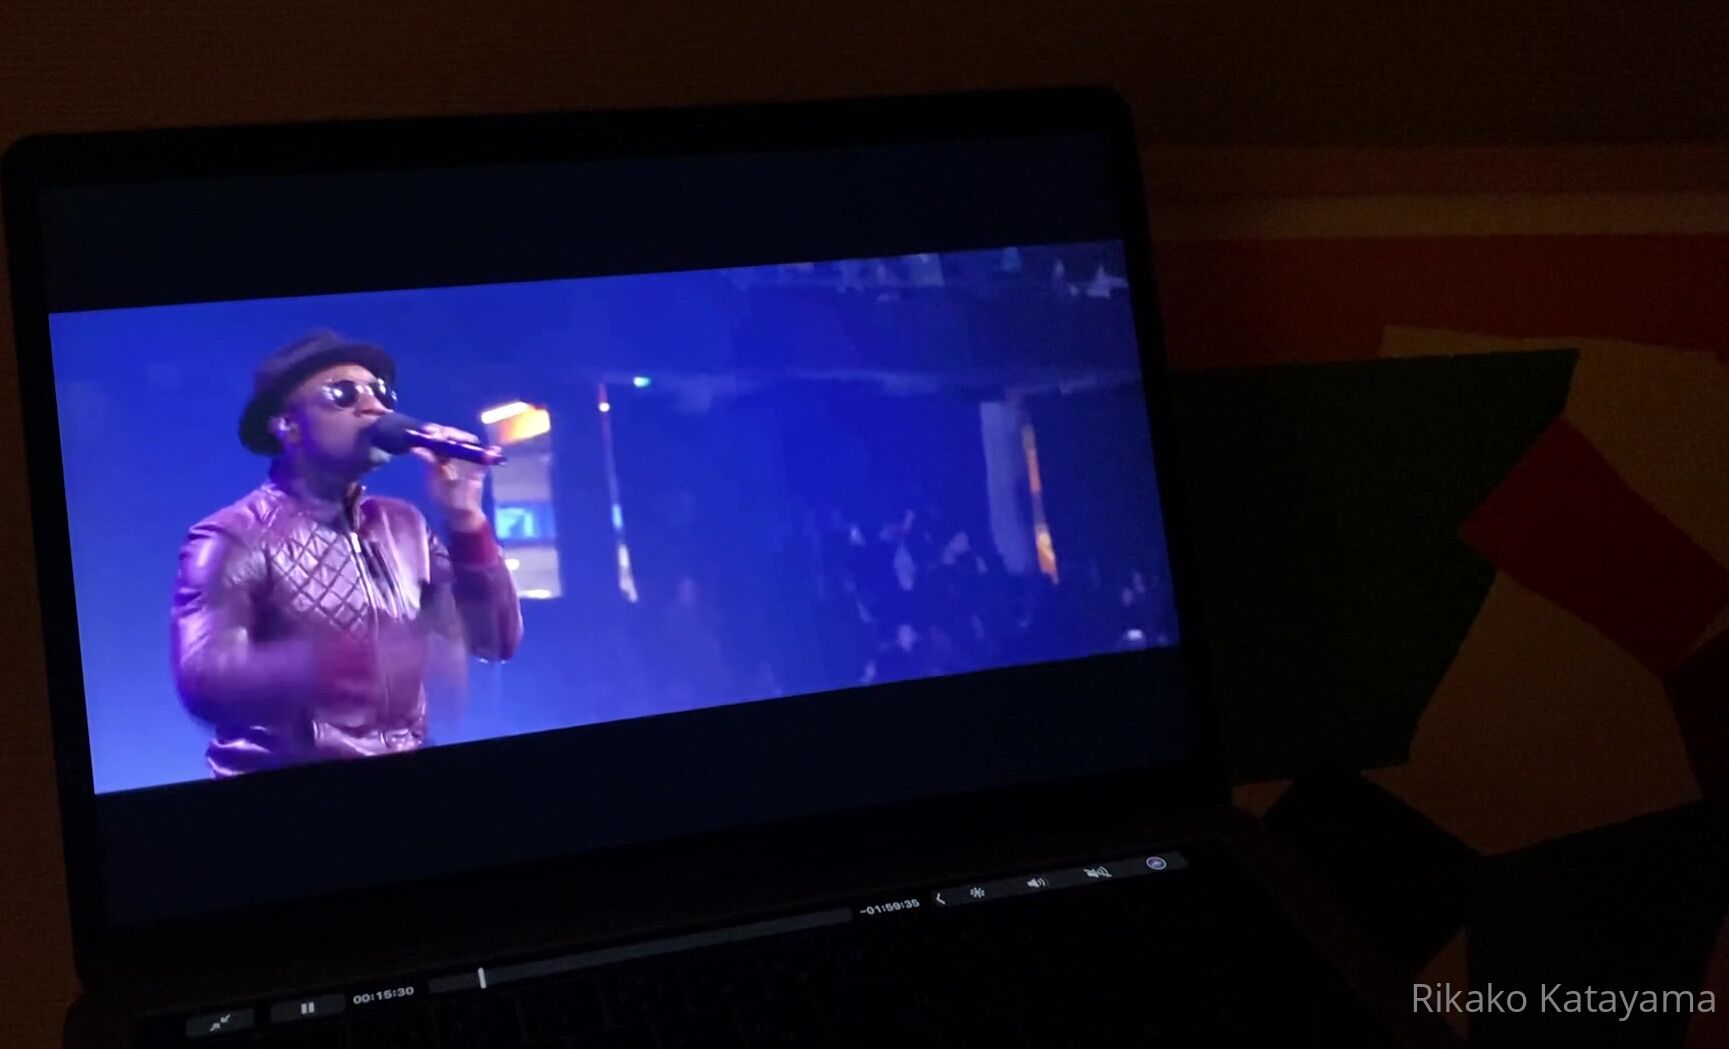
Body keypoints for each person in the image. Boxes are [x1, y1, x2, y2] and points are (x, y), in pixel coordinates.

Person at [171, 330, 522, 777]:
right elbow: (204, 681)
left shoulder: (405, 525)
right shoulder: (231, 536)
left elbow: (495, 641)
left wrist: (466, 519)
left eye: (381, 392)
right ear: (288, 426)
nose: (374, 405)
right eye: (343, 394)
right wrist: (337, 660)